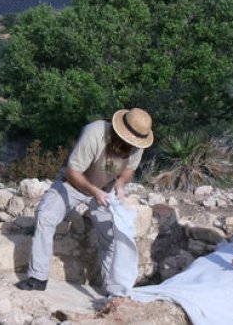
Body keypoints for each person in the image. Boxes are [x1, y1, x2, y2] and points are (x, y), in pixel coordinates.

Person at [16, 108, 154, 293]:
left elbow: (129, 168)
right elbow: (72, 172)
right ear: (118, 131)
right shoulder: (94, 133)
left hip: (105, 191)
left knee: (112, 235)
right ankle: (37, 278)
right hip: (73, 184)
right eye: (127, 140)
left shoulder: (138, 144)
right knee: (45, 217)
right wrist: (94, 191)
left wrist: (120, 184)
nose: (130, 145)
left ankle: (114, 291)